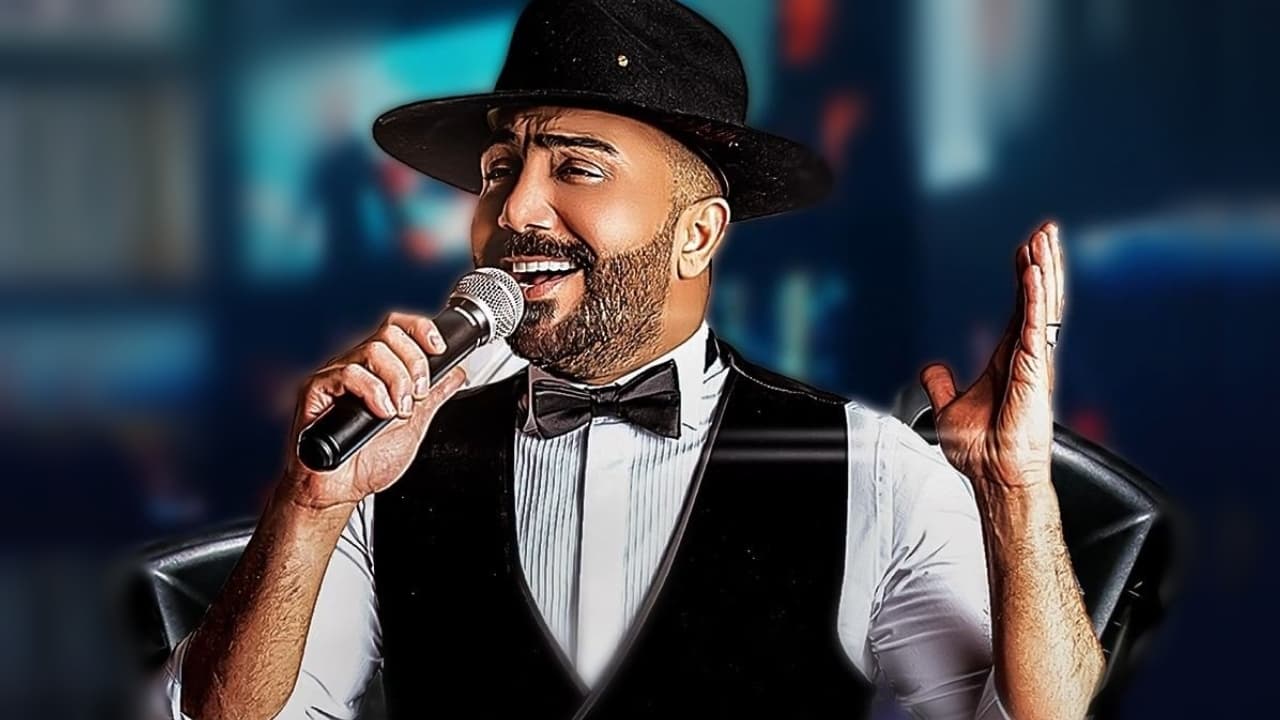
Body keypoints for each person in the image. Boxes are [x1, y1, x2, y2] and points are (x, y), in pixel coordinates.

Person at [160, 1, 1103, 718]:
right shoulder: (389, 456)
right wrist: (308, 507)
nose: (513, 210)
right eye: (501, 171)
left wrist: (1016, 498)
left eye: (577, 167)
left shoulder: (870, 466)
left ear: (697, 235)